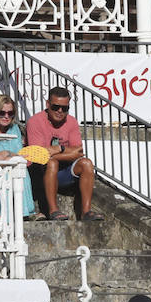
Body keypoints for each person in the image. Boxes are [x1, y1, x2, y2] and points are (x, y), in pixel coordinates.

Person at [25, 87, 101, 221]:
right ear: (48, 104)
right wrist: (65, 150)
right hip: (38, 173)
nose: (60, 111)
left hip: (63, 171)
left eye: (64, 108)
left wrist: (57, 149)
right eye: (55, 107)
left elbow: (79, 152)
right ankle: (53, 210)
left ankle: (86, 212)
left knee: (87, 164)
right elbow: (37, 155)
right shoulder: (35, 121)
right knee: (51, 162)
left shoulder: (71, 121)